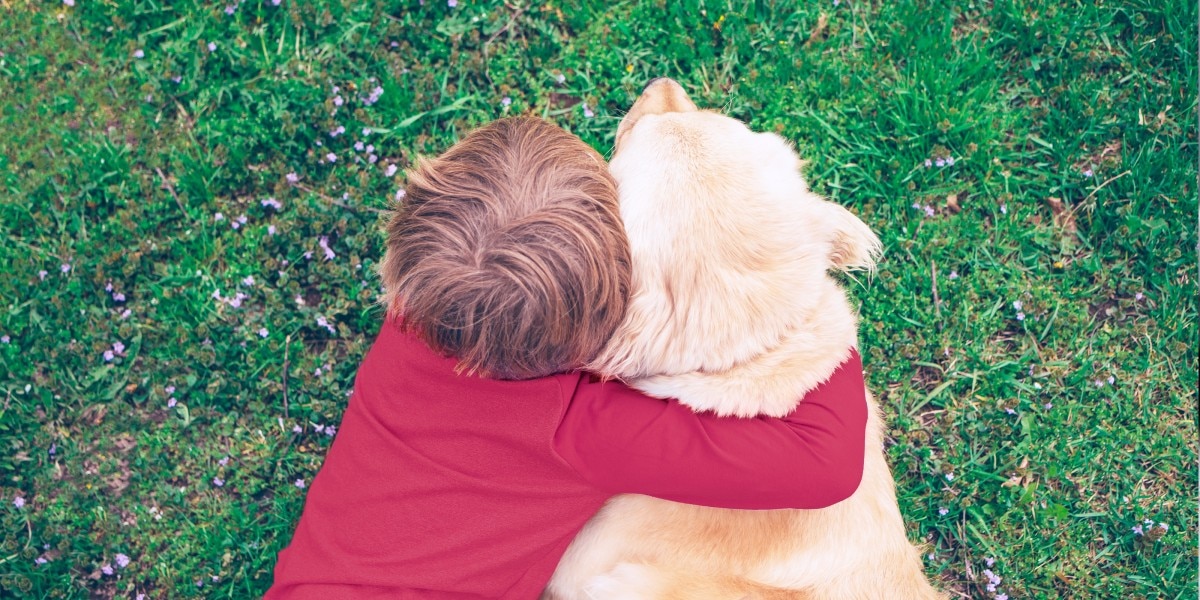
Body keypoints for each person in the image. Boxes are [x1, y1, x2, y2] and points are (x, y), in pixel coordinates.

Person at [266, 117, 867, 599]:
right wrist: (798, 298)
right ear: (612, 326)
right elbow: (827, 465)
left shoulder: (412, 316)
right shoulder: (580, 425)